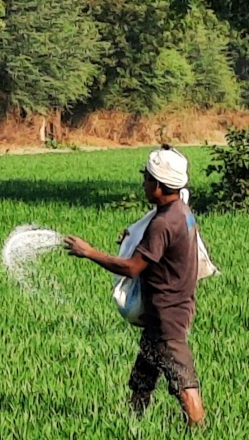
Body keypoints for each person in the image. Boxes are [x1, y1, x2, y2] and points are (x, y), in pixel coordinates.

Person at [63, 145, 205, 427]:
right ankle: (133, 423)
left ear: (160, 185)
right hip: (167, 309)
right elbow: (155, 244)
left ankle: (199, 428)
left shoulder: (163, 223)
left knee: (182, 379)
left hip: (167, 314)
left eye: (147, 179)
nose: (143, 183)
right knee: (143, 375)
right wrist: (133, 239)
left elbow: (132, 268)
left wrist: (89, 252)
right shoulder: (180, 210)